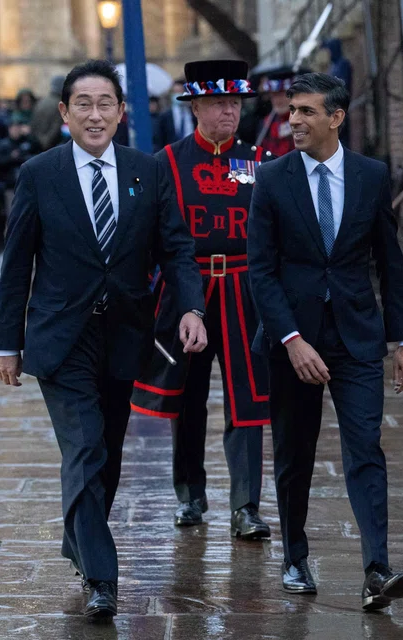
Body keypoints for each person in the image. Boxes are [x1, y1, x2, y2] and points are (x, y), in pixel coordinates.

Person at [0, 59, 207, 621]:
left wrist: (191, 308)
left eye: (104, 103)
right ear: (64, 113)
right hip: (60, 337)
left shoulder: (147, 170)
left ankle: (81, 542)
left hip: (123, 334)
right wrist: (5, 343)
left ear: (121, 112)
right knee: (85, 446)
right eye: (82, 104)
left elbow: (176, 248)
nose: (94, 114)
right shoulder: (40, 173)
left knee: (106, 454)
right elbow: (17, 265)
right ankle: (103, 577)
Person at [247, 73, 403, 610]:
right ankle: (295, 556)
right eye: (291, 110)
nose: (293, 119)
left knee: (365, 447)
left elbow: (390, 264)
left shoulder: (370, 176)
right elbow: (261, 272)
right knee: (294, 453)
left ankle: (376, 570)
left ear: (336, 117)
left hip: (356, 338)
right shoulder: (272, 179)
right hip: (293, 342)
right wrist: (292, 340)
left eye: (306, 111)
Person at [131, 60, 274, 537]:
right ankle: (190, 494)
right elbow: (152, 237)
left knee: (248, 398)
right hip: (185, 293)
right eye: (218, 103)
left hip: (244, 291)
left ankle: (246, 506)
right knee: (187, 397)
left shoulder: (259, 160)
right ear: (194, 106)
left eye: (234, 103)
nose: (228, 112)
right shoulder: (166, 163)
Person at [255, 66, 308, 157]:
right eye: (274, 95)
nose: (277, 100)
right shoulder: (266, 124)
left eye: (282, 94)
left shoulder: (306, 120)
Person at [153, 80, 194, 149]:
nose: (177, 94)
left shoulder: (193, 113)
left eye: (179, 92)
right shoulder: (165, 116)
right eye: (175, 92)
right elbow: (159, 139)